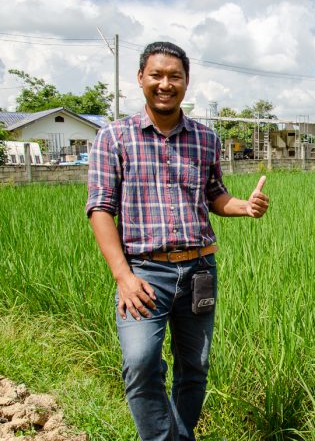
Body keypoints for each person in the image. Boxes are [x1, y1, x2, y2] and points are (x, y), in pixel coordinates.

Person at [86, 41, 269, 440]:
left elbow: (214, 195)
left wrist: (245, 206)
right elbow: (101, 209)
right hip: (144, 275)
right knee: (140, 362)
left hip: (199, 270)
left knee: (194, 367)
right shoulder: (114, 138)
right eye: (157, 75)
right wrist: (123, 276)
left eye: (175, 76)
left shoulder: (206, 138)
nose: (165, 84)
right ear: (140, 78)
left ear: (186, 82)